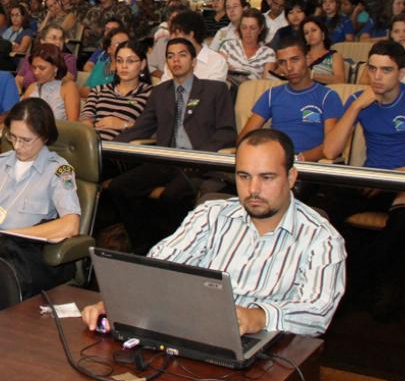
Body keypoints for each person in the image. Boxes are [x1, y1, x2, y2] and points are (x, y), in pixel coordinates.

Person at [83, 129, 346, 336]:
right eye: (244, 176)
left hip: (269, 347)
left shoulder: (322, 238)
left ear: (291, 178)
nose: (253, 189)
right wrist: (121, 301)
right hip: (195, 331)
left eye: (267, 177)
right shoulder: (211, 214)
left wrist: (260, 317)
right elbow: (160, 266)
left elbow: (317, 312)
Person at [322, 41, 405, 317]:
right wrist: (356, 107)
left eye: (386, 70)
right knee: (326, 210)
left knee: (403, 222)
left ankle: (365, 285)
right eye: (372, 69)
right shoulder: (359, 99)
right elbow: (330, 151)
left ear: (402, 73)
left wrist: (391, 178)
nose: (377, 76)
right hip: (372, 183)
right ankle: (338, 282)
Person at [109, 38, 236, 253]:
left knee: (172, 196)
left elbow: (228, 132)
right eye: (170, 56)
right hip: (165, 160)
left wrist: (200, 155)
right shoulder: (160, 92)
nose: (176, 60)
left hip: (199, 163)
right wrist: (110, 146)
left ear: (193, 61)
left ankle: (174, 250)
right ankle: (144, 246)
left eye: (182, 55)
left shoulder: (215, 90)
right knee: (119, 188)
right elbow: (141, 128)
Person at [0, 99, 81, 295]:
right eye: (13, 137)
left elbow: (71, 225)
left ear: (45, 137)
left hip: (18, 259)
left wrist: (10, 236)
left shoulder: (59, 170)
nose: (17, 146)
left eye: (26, 140)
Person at [80, 41, 152, 141]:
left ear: (143, 64)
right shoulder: (99, 89)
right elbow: (86, 117)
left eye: (130, 61)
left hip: (121, 147)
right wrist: (88, 127)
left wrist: (123, 124)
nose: (124, 66)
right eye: (119, 61)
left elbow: (153, 128)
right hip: (91, 143)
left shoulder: (151, 93)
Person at [21, 43, 80, 121]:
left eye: (42, 68)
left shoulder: (69, 87)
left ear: (55, 68)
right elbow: (21, 117)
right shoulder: (32, 87)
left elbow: (72, 124)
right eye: (34, 67)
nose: (36, 72)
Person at [219, 8, 276, 82]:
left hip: (253, 88)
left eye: (253, 28)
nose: (248, 32)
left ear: (260, 29)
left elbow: (267, 83)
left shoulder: (268, 53)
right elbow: (217, 70)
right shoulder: (228, 46)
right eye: (244, 27)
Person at [15, 24, 76, 90]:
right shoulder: (31, 57)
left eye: (61, 39)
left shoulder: (68, 58)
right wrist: (19, 93)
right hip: (27, 94)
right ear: (42, 41)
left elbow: (67, 80)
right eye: (53, 38)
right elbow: (18, 79)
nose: (58, 42)